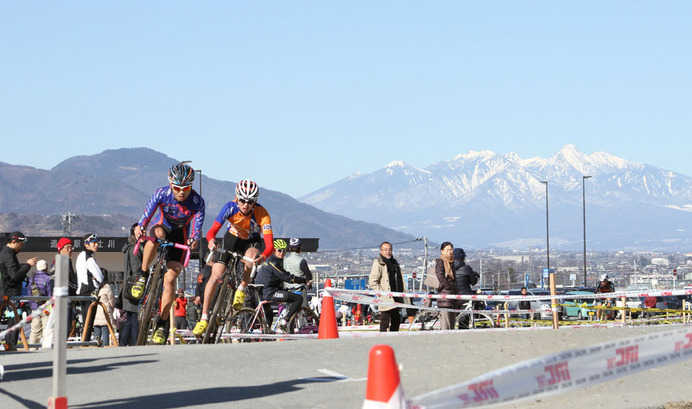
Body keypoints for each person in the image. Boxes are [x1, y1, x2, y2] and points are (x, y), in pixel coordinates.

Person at [131, 162, 205, 344]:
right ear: (171, 185)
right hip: (162, 226)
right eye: (177, 188)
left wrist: (194, 239)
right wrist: (141, 227)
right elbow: (147, 216)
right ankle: (143, 273)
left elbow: (196, 229)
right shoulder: (161, 194)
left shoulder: (197, 202)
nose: (181, 192)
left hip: (181, 234)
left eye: (186, 188)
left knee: (170, 279)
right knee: (157, 234)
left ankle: (162, 325)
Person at [193, 179, 272, 337]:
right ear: (236, 198)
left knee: (250, 257)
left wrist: (262, 258)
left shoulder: (262, 214)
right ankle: (204, 318)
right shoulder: (229, 208)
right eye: (242, 200)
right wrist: (211, 241)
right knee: (215, 276)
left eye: (250, 202)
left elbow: (270, 245)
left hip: (251, 241)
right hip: (232, 238)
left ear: (255, 201)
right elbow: (212, 232)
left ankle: (241, 289)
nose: (245, 204)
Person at [254, 239, 307, 331]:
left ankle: (267, 332)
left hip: (264, 290)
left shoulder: (271, 260)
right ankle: (284, 321)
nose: (282, 253)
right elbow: (287, 277)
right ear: (274, 250)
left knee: (269, 313)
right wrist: (303, 280)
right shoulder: (274, 262)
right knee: (298, 298)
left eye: (284, 250)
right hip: (269, 292)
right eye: (279, 250)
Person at [0, 231, 38, 350]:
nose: (22, 247)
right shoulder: (9, 255)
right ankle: (10, 345)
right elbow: (14, 276)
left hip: (6, 293)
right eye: (21, 244)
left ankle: (9, 345)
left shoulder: (5, 253)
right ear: (14, 242)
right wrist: (27, 265)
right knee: (15, 320)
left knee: (14, 319)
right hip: (10, 294)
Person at [368, 241, 406, 332]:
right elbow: (373, 281)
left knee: (396, 320)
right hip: (386, 298)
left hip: (396, 296)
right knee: (385, 321)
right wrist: (382, 293)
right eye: (385, 250)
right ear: (380, 251)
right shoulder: (378, 263)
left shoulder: (394, 263)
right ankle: (383, 340)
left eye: (389, 249)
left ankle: (393, 339)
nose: (387, 252)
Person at [76, 233, 104, 340]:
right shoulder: (89, 257)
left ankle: (84, 341)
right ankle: (85, 342)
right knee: (89, 321)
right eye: (94, 243)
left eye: (97, 243)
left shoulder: (81, 256)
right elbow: (100, 277)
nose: (96, 245)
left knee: (85, 320)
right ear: (86, 245)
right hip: (89, 291)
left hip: (82, 290)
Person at [119, 224, 142, 346]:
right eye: (140, 231)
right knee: (134, 320)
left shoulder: (129, 247)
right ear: (134, 233)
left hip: (128, 288)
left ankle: (123, 344)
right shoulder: (135, 249)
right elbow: (137, 269)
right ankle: (134, 344)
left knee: (129, 318)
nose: (143, 233)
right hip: (134, 288)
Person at [28, 260, 54, 346]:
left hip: (35, 308)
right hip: (45, 308)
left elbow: (29, 294)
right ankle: (45, 349)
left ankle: (31, 349)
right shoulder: (48, 279)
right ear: (46, 268)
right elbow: (50, 294)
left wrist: (32, 306)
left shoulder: (32, 278)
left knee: (35, 330)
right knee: (47, 329)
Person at [453, 248, 479, 329]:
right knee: (464, 321)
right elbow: (473, 282)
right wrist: (475, 276)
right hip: (466, 297)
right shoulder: (466, 268)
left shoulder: (450, 268)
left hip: (453, 297)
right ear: (463, 258)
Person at [434, 242, 458, 330]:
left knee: (452, 323)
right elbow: (440, 275)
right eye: (448, 250)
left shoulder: (452, 263)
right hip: (444, 296)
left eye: (451, 249)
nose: (450, 252)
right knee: (445, 322)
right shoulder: (441, 261)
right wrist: (448, 286)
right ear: (442, 251)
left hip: (452, 296)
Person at [283, 238, 313, 305]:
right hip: (299, 290)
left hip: (287, 290)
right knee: (303, 310)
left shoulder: (284, 261)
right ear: (300, 248)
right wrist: (309, 283)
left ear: (290, 248)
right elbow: (309, 276)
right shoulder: (301, 261)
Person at [93, 274, 115, 346]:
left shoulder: (96, 287)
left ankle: (95, 347)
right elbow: (111, 300)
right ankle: (105, 347)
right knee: (105, 332)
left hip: (96, 312)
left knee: (96, 333)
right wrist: (112, 308)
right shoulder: (107, 288)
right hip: (105, 312)